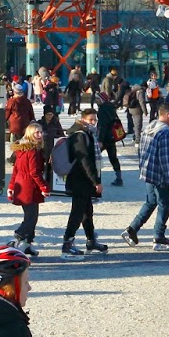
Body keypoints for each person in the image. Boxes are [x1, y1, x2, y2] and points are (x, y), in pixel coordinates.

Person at [122, 101, 169, 249]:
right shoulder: (165, 132)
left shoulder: (149, 128)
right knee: (164, 205)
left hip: (149, 173)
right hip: (161, 176)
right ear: (168, 114)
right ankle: (158, 236)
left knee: (150, 202)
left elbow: (141, 152)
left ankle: (132, 229)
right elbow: (166, 158)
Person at [59, 107, 105, 258]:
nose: (94, 122)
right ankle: (67, 243)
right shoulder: (80, 135)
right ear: (83, 119)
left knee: (87, 212)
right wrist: (96, 181)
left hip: (83, 180)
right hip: (80, 180)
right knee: (77, 212)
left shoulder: (87, 134)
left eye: (95, 119)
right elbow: (84, 160)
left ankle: (91, 240)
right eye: (91, 120)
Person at [7, 123, 48, 256]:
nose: (40, 135)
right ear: (30, 134)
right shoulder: (32, 151)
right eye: (37, 132)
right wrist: (43, 186)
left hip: (21, 185)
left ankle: (28, 243)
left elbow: (16, 170)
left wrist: (11, 186)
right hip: (29, 187)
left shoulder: (21, 149)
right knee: (31, 217)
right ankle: (19, 236)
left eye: (41, 132)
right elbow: (34, 172)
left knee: (30, 215)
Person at [95, 94, 124, 185]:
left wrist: (100, 139)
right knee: (113, 157)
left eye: (97, 98)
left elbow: (102, 126)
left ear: (102, 100)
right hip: (112, 137)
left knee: (94, 157)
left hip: (105, 138)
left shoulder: (103, 110)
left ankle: (94, 178)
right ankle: (119, 178)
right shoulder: (111, 108)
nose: (96, 100)